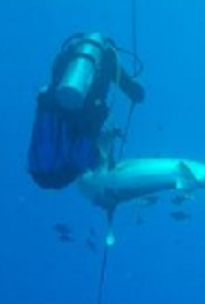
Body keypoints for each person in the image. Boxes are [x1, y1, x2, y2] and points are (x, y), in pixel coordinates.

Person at [28, 32, 145, 189]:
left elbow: (53, 80)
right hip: (78, 118)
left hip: (58, 114)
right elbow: (133, 91)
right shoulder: (108, 59)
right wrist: (134, 91)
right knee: (83, 151)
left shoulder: (69, 54)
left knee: (78, 149)